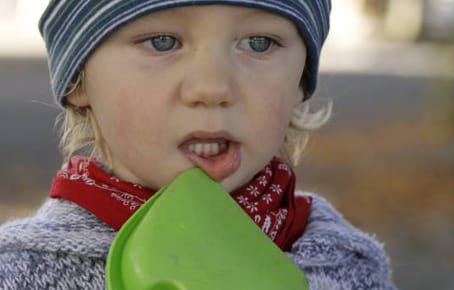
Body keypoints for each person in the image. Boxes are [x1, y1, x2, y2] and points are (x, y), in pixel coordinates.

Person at [0, 1, 397, 289]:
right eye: (161, 41)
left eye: (259, 42)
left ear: (300, 80)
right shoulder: (22, 271)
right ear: (79, 79)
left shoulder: (350, 264)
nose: (213, 87)